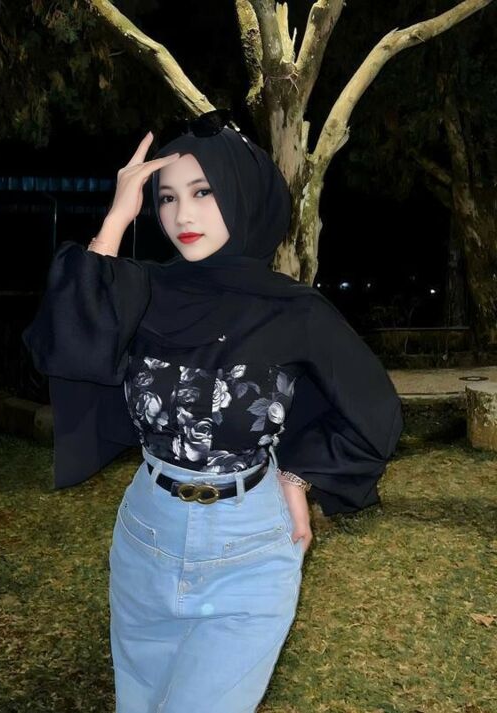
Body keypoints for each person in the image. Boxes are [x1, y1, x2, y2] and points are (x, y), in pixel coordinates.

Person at [22, 111, 403, 713]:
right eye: (166, 197)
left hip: (248, 548)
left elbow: (373, 411)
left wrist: (299, 475)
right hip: (145, 536)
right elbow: (66, 344)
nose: (182, 215)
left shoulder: (294, 312)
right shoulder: (143, 290)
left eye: (203, 192)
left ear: (242, 194)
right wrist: (116, 219)